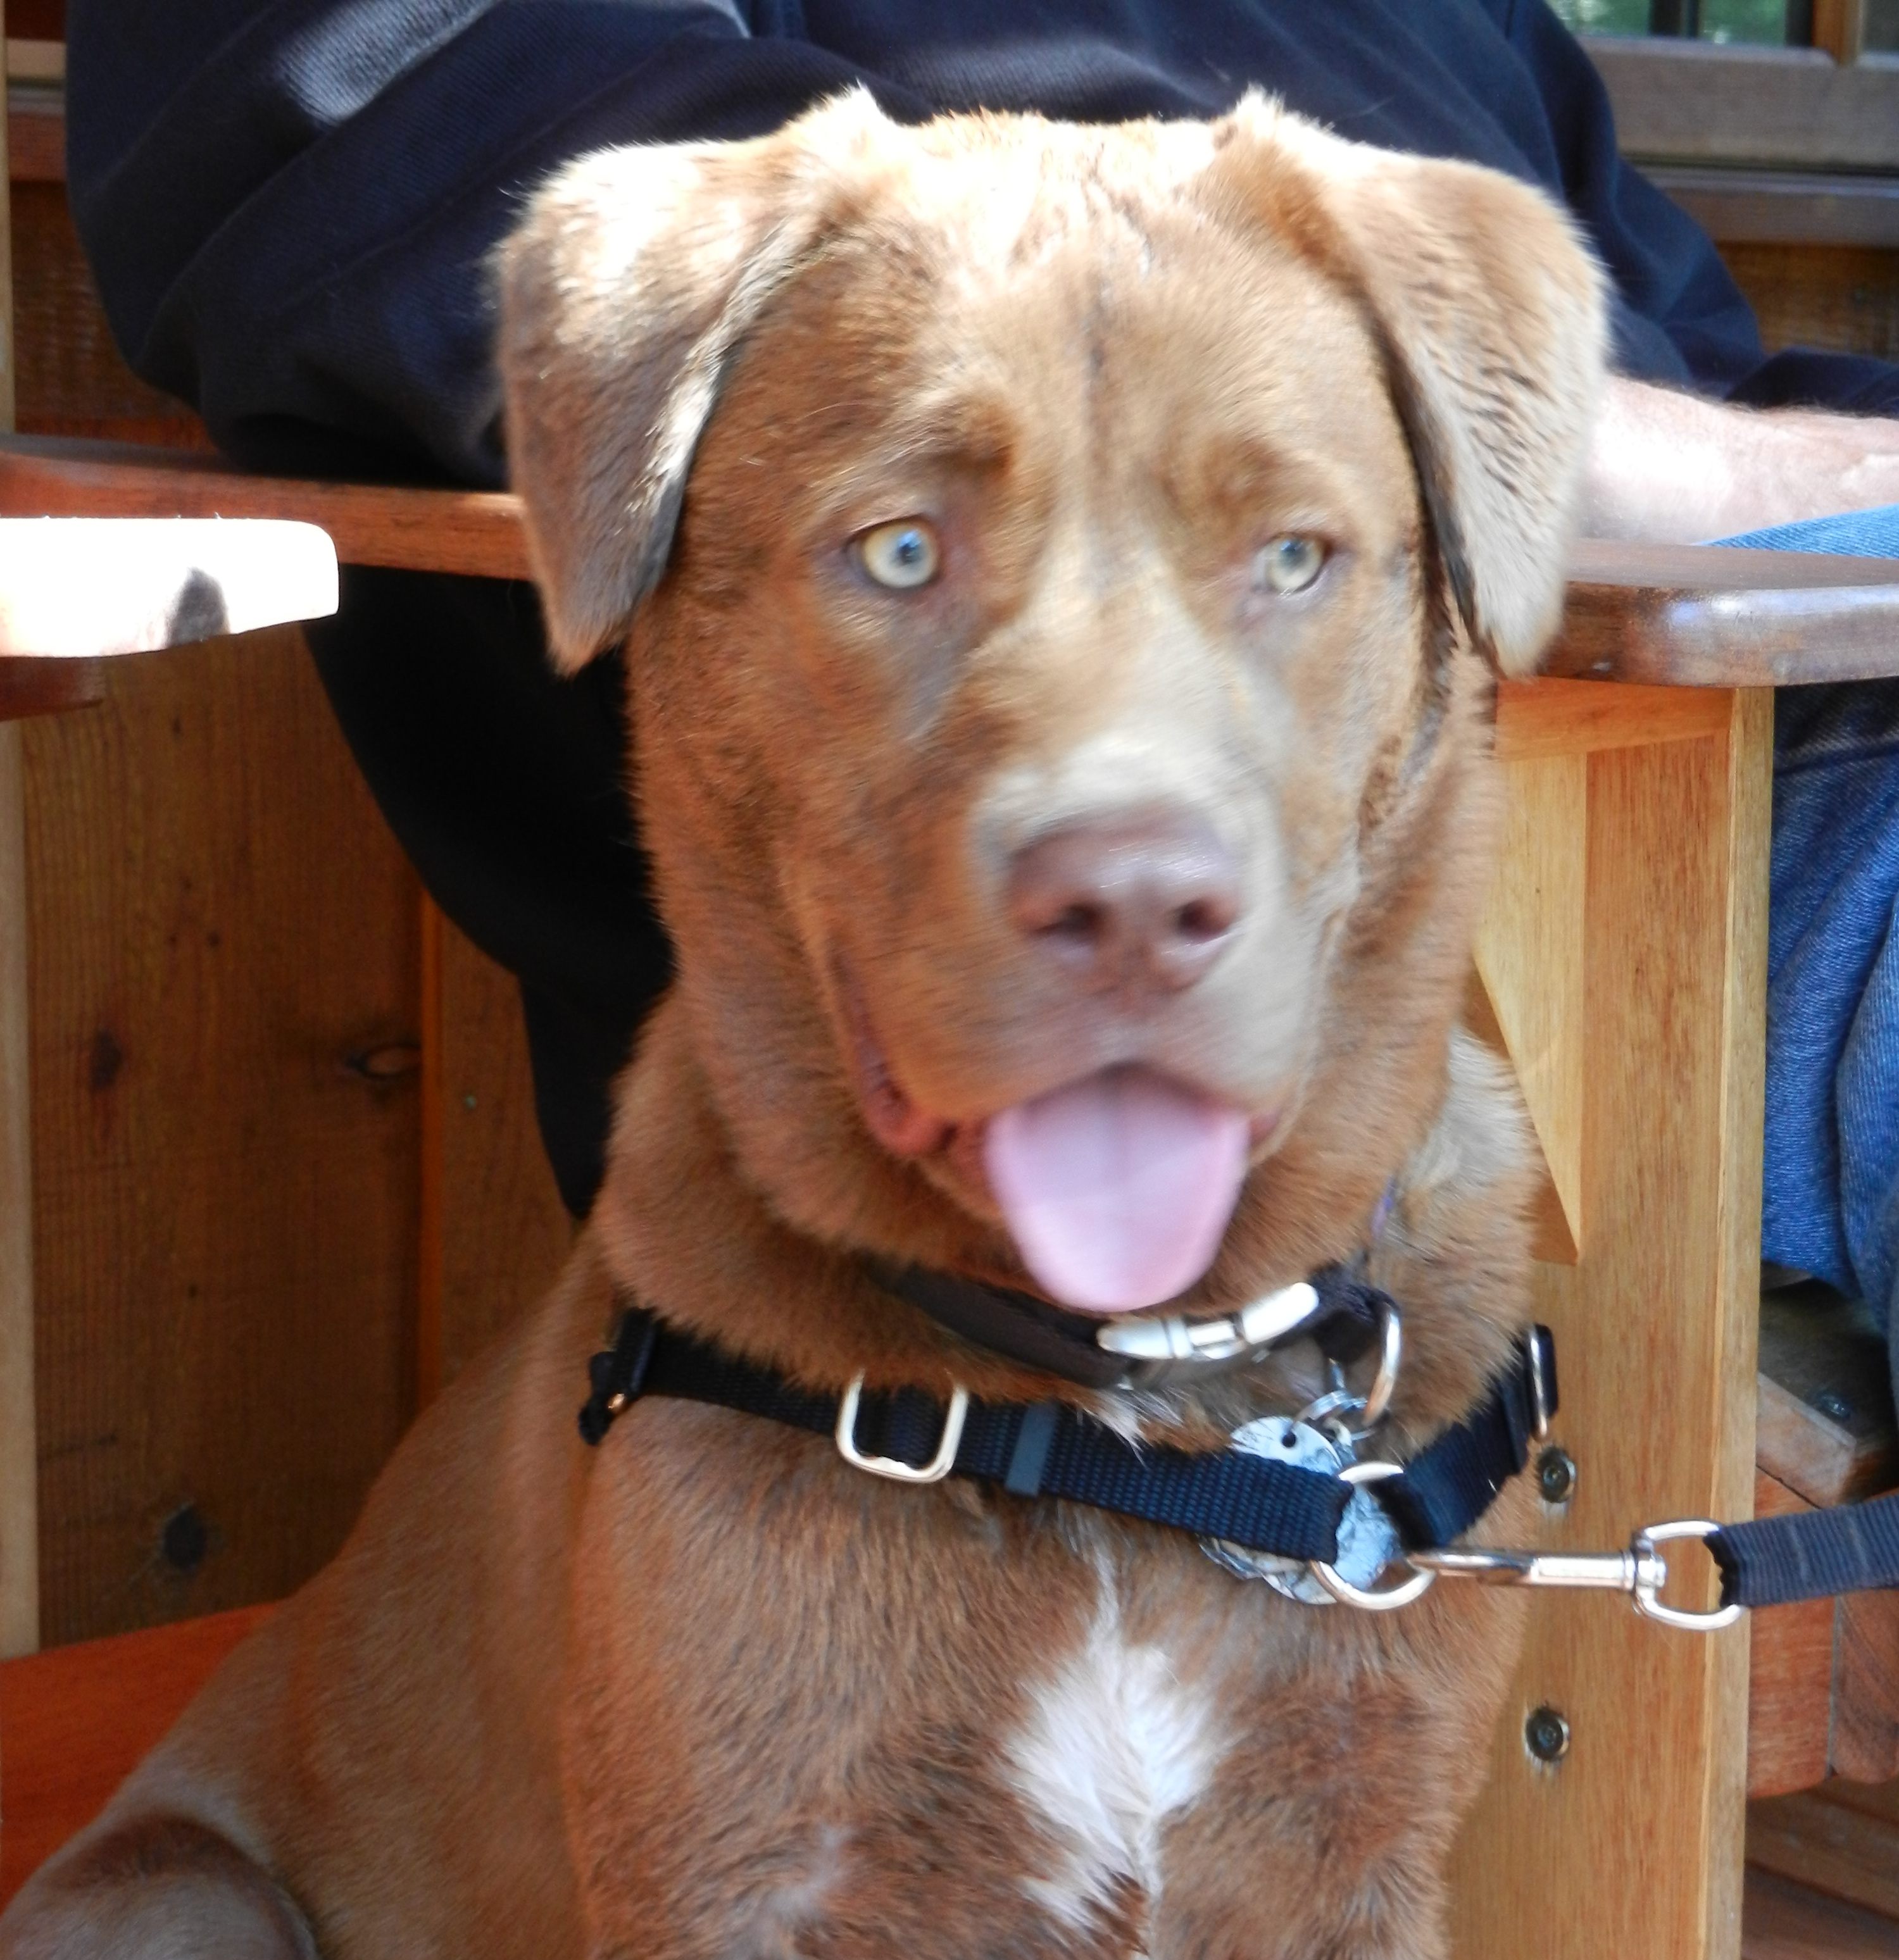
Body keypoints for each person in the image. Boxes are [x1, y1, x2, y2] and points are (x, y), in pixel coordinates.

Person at [61, 0, 1899, 1351]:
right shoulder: (808, 221)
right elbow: (345, 85)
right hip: (1604, 862)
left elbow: (1712, 368)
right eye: (901, 551)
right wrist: (1482, 433)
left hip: (1742, 742)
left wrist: (1753, 462)